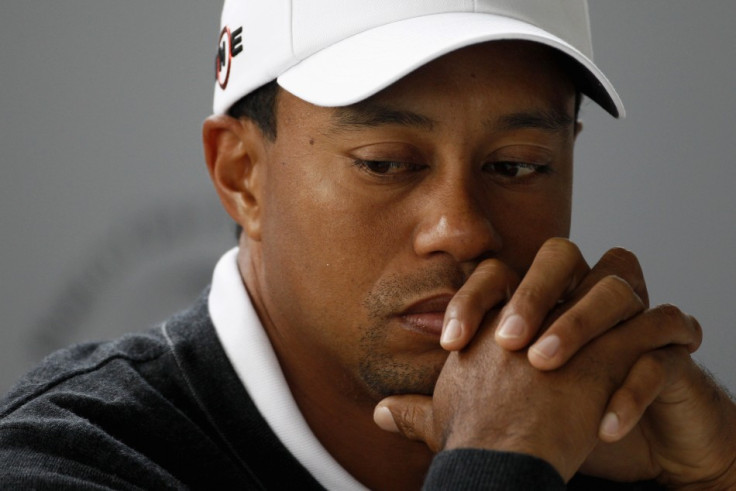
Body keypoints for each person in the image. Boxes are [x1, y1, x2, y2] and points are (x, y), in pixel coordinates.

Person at [1, 0, 735, 489]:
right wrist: (501, 464)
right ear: (242, 175)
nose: (463, 227)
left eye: (517, 166)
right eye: (386, 162)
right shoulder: (63, 463)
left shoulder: (632, 449)